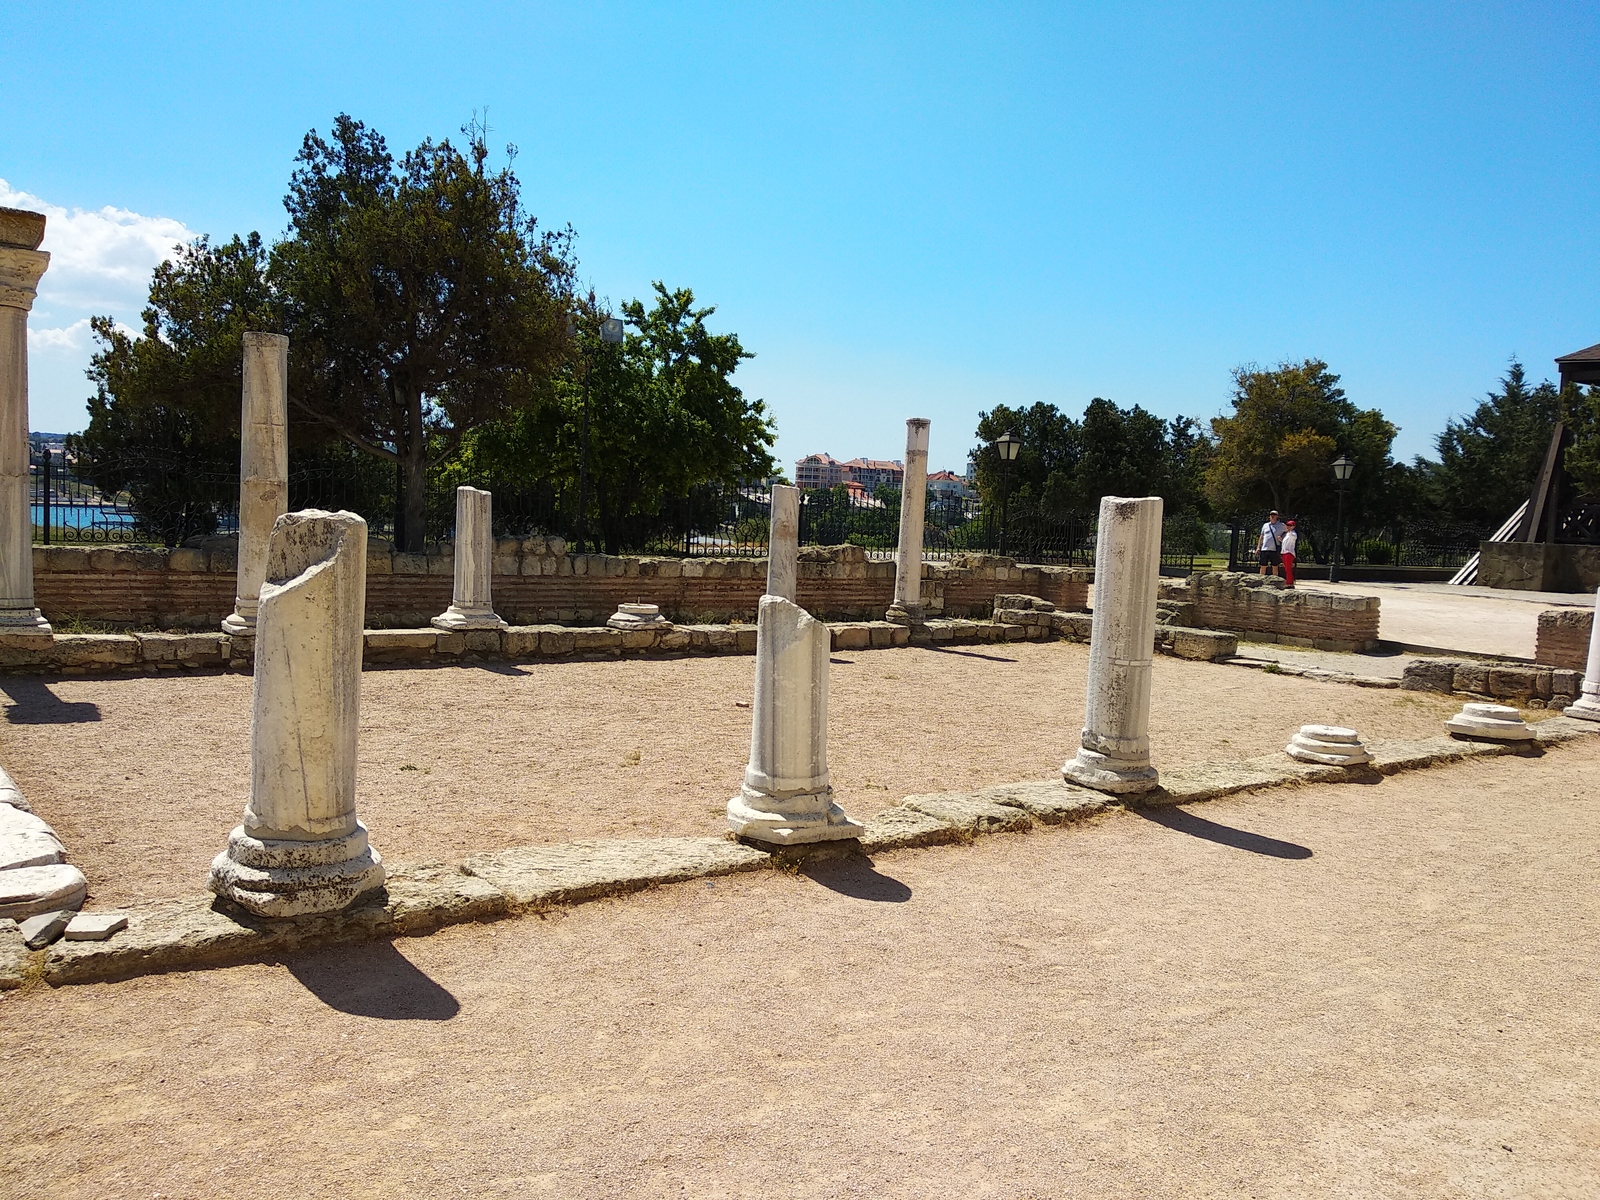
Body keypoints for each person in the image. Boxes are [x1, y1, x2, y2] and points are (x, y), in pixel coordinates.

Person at [1257, 510, 1287, 577]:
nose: (1272, 516)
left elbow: (1288, 532)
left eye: (1274, 515)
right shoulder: (1265, 525)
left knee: (1275, 565)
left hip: (1274, 549)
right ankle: (1260, 579)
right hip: (1265, 548)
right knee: (1263, 565)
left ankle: (1275, 580)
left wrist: (1282, 538)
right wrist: (1258, 547)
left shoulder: (1281, 525)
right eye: (1271, 515)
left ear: (1277, 516)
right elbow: (1262, 536)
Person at [1280, 518, 1298, 588]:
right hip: (1284, 552)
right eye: (1288, 525)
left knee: (1288, 568)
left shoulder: (1293, 533)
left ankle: (1290, 582)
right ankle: (1288, 581)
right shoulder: (1287, 534)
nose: (1288, 526)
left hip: (1289, 553)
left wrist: (1288, 529)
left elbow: (1292, 537)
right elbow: (1286, 543)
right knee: (1286, 568)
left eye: (1290, 525)